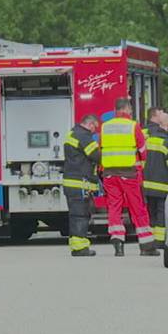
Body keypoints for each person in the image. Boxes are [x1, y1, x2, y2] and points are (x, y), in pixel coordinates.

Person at [99, 98, 153, 256]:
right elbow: (143, 150)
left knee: (114, 207)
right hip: (128, 173)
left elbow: (100, 148)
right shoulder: (133, 125)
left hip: (109, 173)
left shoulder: (105, 127)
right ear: (127, 109)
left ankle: (117, 243)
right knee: (137, 207)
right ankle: (146, 246)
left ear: (116, 110)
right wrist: (141, 169)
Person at [62, 114, 102, 257]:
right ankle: (80, 248)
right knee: (80, 215)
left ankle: (77, 246)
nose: (94, 131)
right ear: (90, 124)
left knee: (76, 215)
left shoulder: (72, 133)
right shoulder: (84, 136)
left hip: (72, 181)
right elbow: (96, 156)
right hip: (80, 182)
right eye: (94, 128)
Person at [143, 108, 168, 251]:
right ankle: (159, 241)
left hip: (146, 184)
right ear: (166, 124)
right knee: (161, 214)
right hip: (162, 186)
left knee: (151, 213)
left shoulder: (149, 139)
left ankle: (151, 239)